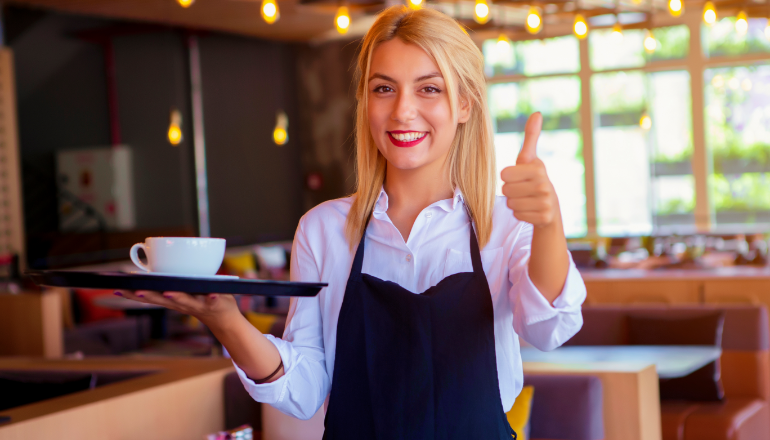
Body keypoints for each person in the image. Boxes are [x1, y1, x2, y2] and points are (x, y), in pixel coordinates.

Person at [118, 5, 586, 438]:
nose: (403, 110)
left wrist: (547, 223)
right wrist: (226, 321)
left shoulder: (505, 223)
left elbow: (549, 330)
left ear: (464, 105)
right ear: (365, 101)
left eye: (429, 88)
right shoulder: (323, 229)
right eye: (384, 88)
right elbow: (304, 390)